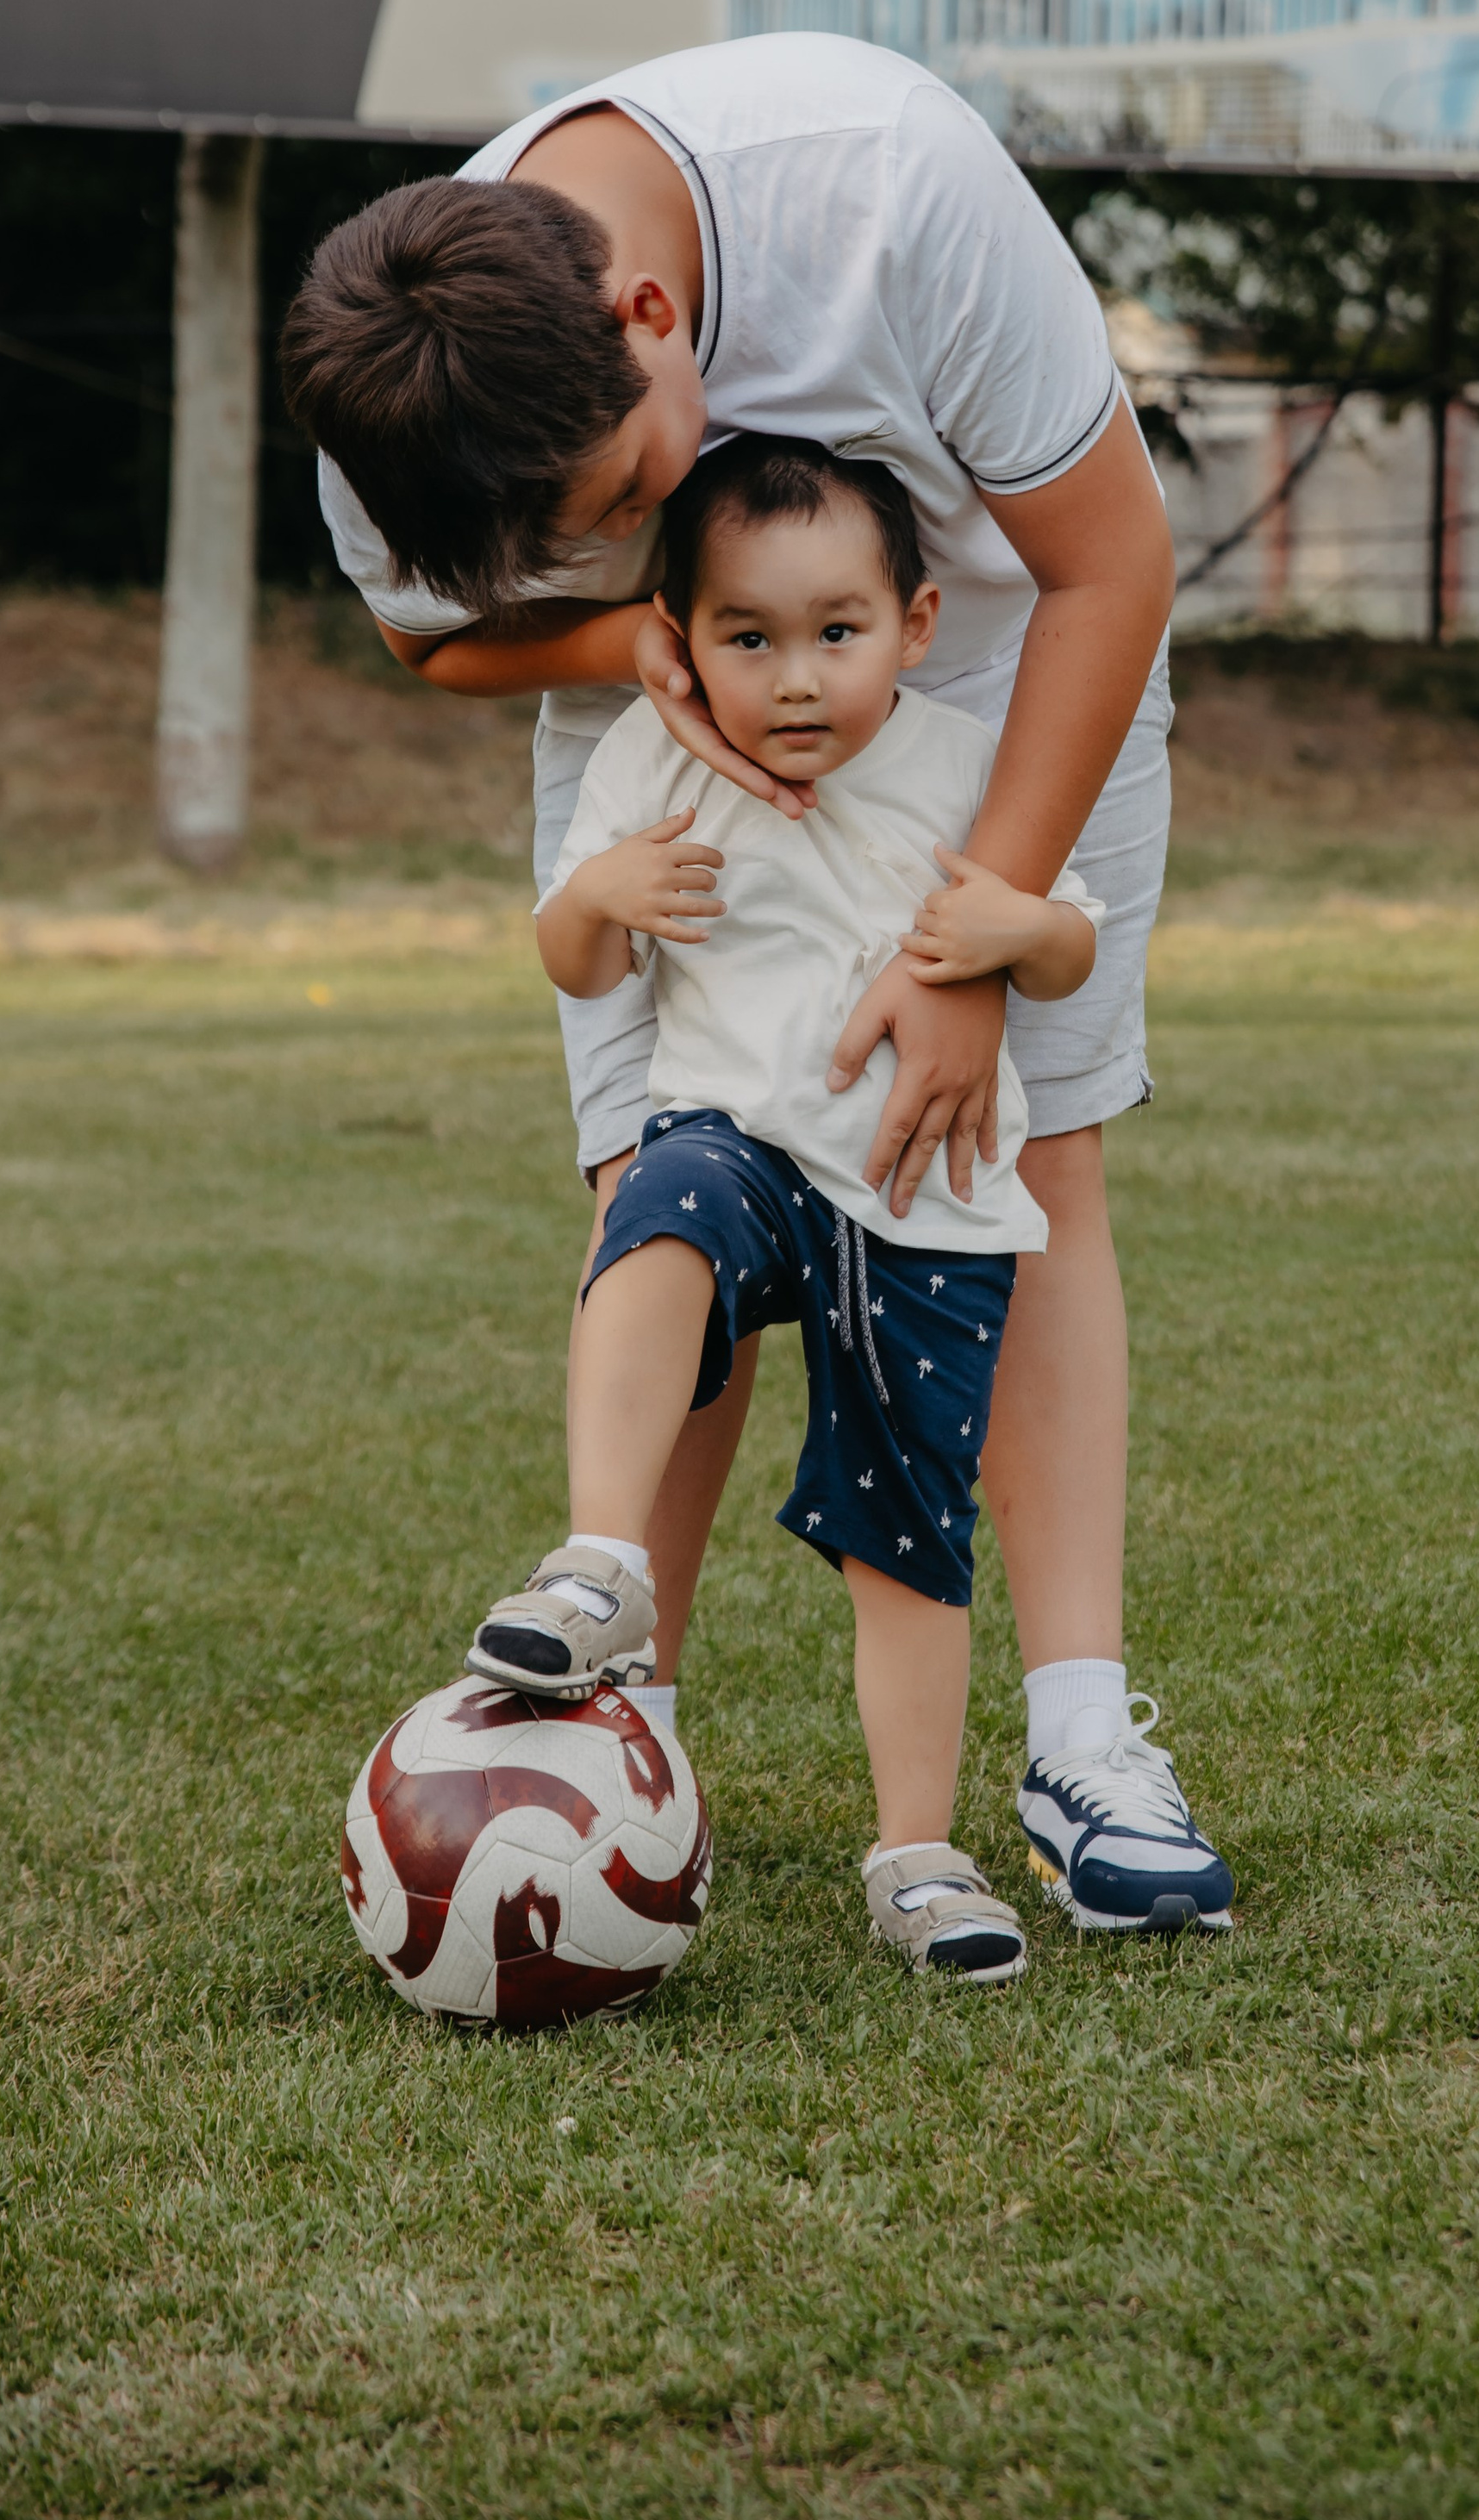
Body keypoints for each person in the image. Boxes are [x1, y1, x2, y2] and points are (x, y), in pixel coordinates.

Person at [282, 33, 1232, 1937]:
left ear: (647, 314)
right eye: (563, 540)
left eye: (622, 485)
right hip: (667, 701)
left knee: (1019, 1171)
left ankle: (1072, 1747)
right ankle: (619, 1727)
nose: (603, 527)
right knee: (670, 1171)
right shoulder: (402, 392)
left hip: (997, 661)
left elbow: (1111, 565)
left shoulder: (887, 182)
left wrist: (975, 934)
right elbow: (428, 644)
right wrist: (633, 625)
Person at [479, 436, 1104, 1977]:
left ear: (917, 620)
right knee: (658, 1213)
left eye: (839, 631)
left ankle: (919, 1852)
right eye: (747, 638)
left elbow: (1072, 944)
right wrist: (595, 905)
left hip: (922, 1199)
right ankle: (601, 1559)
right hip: (740, 1140)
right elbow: (574, 958)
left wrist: (1018, 920)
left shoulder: (966, 765)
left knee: (909, 1537)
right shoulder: (655, 757)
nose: (798, 677)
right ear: (681, 643)